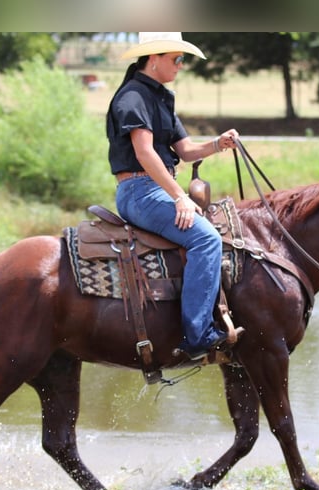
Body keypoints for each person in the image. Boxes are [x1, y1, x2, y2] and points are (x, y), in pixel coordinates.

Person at [106, 32, 240, 360]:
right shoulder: (133, 96)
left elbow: (186, 150)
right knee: (206, 240)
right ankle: (197, 335)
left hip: (153, 188)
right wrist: (180, 195)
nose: (181, 66)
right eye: (176, 59)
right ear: (154, 59)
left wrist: (216, 144)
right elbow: (144, 153)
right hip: (139, 191)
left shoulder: (160, 97)